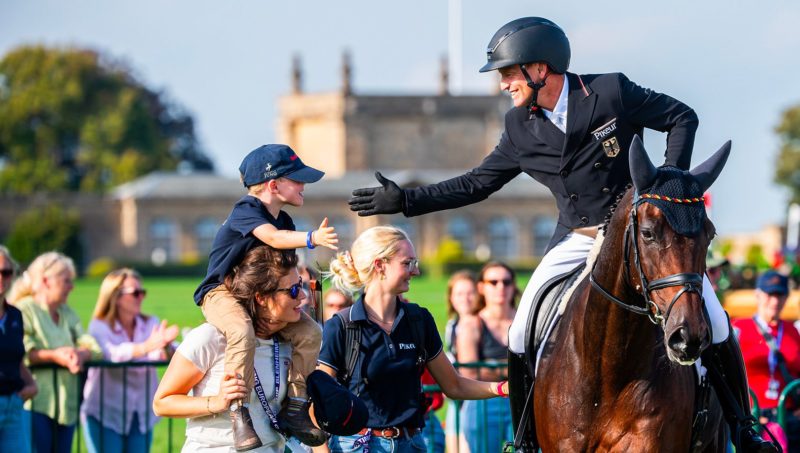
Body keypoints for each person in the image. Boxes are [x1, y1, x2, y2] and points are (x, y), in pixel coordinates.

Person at [347, 17, 773, 452]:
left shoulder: (610, 92)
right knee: (519, 333)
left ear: (540, 69)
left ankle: (743, 427)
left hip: (639, 237)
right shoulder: (519, 127)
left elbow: (683, 117)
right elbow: (477, 183)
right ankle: (526, 439)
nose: (504, 85)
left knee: (717, 322)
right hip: (579, 236)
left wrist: (664, 187)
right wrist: (405, 201)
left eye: (509, 74)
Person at [193, 144, 336, 449]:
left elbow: (283, 269)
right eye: (297, 179)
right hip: (222, 292)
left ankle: (295, 409)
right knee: (241, 331)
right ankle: (238, 411)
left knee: (311, 332)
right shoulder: (246, 210)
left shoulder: (284, 220)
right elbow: (271, 239)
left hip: (261, 295)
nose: (303, 185)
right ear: (273, 185)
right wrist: (313, 239)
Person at [319, 225, 509, 453]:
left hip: (412, 444)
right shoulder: (341, 327)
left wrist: (504, 388)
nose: (415, 271)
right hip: (358, 446)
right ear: (380, 265)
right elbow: (320, 402)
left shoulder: (419, 320)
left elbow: (454, 385)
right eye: (407, 263)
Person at [155, 246, 304, 452]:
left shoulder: (291, 344)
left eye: (302, 285)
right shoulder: (211, 337)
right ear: (261, 298)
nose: (303, 296)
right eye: (293, 290)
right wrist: (216, 402)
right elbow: (162, 403)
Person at [9, 251, 103, 453]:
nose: (72, 286)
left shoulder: (66, 312)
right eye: (66, 281)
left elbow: (92, 346)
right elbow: (22, 349)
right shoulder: (25, 309)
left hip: (66, 405)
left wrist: (81, 354)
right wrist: (55, 356)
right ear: (46, 281)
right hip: (36, 405)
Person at [81, 268, 179, 453]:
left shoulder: (150, 323)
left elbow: (158, 353)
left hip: (139, 414)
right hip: (105, 413)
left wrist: (166, 347)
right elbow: (109, 353)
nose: (141, 297)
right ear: (115, 297)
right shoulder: (99, 326)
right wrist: (146, 346)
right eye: (135, 293)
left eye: (142, 292)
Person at [733, 270, 800, 451]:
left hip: (788, 418)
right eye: (770, 294)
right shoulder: (739, 328)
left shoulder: (793, 331)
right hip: (751, 417)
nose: (775, 301)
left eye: (780, 295)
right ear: (758, 295)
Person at [456, 263, 516, 452]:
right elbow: (469, 372)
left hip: (520, 402)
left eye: (506, 282)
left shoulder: (525, 321)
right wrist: (514, 369)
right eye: (493, 282)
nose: (501, 287)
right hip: (483, 402)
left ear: (513, 286)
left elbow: (539, 365)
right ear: (481, 287)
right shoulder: (471, 324)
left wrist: (490, 367)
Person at [0, 246, 37, 453]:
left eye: (6, 272)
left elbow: (15, 357)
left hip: (13, 405)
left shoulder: (15, 315)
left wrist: (31, 384)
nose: (1, 278)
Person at [442, 271, 479, 453]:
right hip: (454, 399)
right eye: (459, 293)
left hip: (474, 398)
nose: (465, 298)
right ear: (451, 297)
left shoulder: (481, 323)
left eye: (470, 292)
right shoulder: (452, 325)